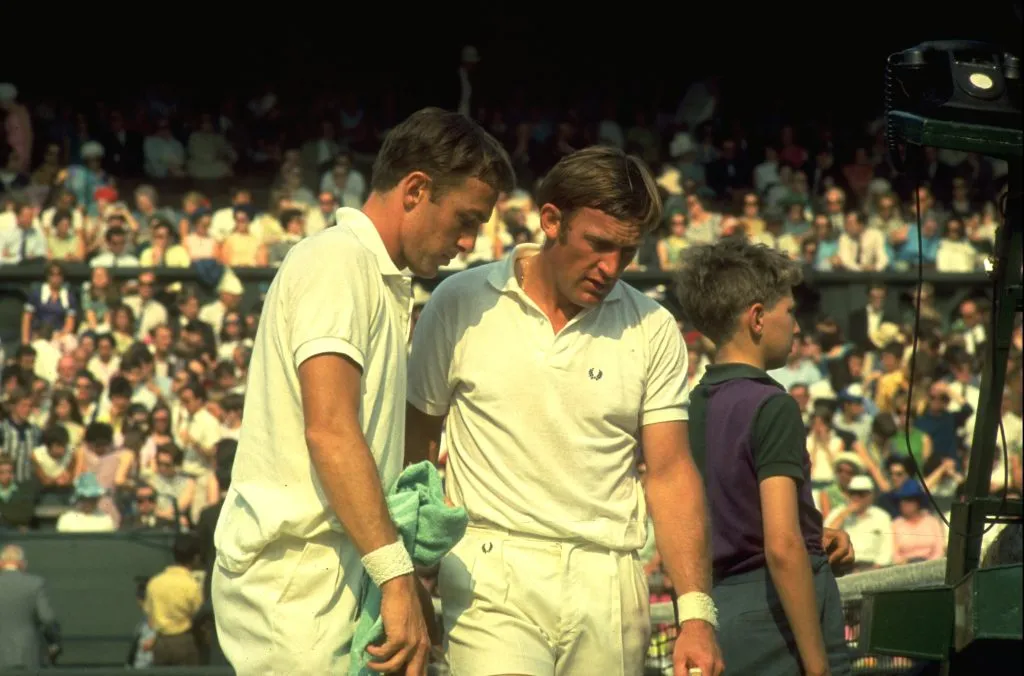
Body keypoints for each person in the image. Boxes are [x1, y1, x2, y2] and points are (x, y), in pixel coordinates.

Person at [212, 107, 514, 676]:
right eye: (465, 219)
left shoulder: (369, 272)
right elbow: (329, 429)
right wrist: (398, 578)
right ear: (416, 189)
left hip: (340, 568)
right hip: (297, 582)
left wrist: (397, 578)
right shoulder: (337, 260)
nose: (469, 242)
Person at [406, 146, 723, 676]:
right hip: (490, 573)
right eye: (598, 245)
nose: (611, 268)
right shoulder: (458, 301)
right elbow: (417, 447)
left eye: (626, 253)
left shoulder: (654, 327)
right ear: (550, 219)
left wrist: (696, 614)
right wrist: (408, 576)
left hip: (612, 582)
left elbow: (669, 473)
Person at [675, 238, 854, 676]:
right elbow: (781, 544)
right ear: (757, 317)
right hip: (777, 621)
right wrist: (817, 667)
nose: (796, 327)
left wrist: (815, 531)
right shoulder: (772, 405)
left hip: (720, 614)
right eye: (789, 312)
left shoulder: (688, 406)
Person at [0, 544, 61, 670]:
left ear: (1, 563)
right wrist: (54, 643)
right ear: (22, 564)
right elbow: (47, 618)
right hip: (27, 655)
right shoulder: (35, 584)